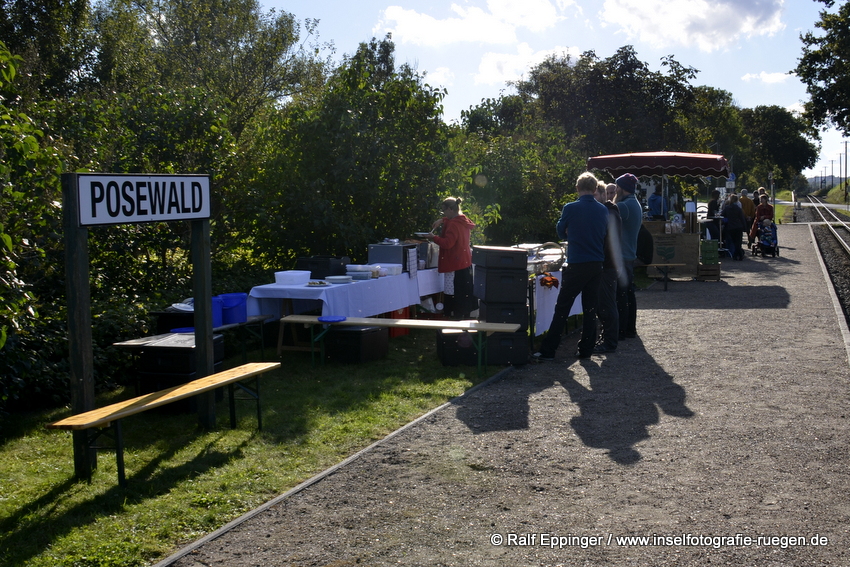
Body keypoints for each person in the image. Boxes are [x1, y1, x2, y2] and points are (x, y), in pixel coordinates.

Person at [533, 172, 608, 361]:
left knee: (563, 306)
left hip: (577, 263)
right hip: (596, 262)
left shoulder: (570, 208)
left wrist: (570, 232)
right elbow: (604, 233)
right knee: (590, 308)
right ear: (594, 189)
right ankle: (586, 349)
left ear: (577, 188)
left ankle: (549, 349)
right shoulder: (602, 210)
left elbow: (560, 231)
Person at [425, 197, 476, 319]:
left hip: (454, 264)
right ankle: (464, 317)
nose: (444, 214)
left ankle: (454, 318)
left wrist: (434, 238)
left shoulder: (453, 224)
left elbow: (448, 243)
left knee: (452, 293)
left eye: (444, 211)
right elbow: (451, 221)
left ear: (450, 209)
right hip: (464, 262)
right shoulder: (463, 220)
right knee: (464, 292)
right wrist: (442, 220)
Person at [593, 182, 624, 353]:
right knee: (603, 304)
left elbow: (609, 242)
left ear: (602, 194)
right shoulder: (608, 211)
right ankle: (607, 338)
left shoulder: (609, 212)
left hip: (608, 264)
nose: (593, 199)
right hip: (607, 263)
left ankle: (610, 341)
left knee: (607, 303)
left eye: (595, 195)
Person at [615, 173, 642, 340]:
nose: (615, 189)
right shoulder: (634, 203)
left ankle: (622, 330)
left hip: (623, 255)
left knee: (621, 294)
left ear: (622, 188)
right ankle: (630, 328)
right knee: (629, 293)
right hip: (629, 253)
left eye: (617, 186)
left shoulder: (624, 206)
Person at [721, 194, 747, 260]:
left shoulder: (727, 208)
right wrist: (745, 227)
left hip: (730, 227)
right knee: (738, 241)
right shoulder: (738, 209)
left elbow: (722, 215)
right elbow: (742, 218)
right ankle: (739, 254)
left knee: (734, 241)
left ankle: (736, 255)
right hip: (738, 226)